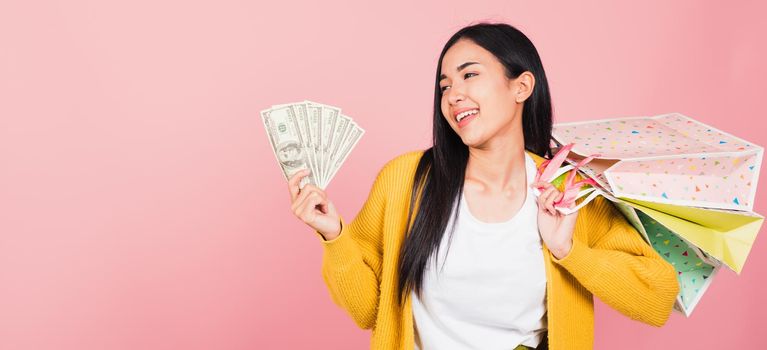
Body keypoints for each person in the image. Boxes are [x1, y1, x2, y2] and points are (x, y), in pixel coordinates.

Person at [286, 22, 679, 350]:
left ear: (521, 87)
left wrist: (567, 250)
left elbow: (658, 298)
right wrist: (334, 235)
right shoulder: (406, 180)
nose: (454, 95)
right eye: (444, 86)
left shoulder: (568, 192)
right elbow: (367, 310)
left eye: (470, 75)